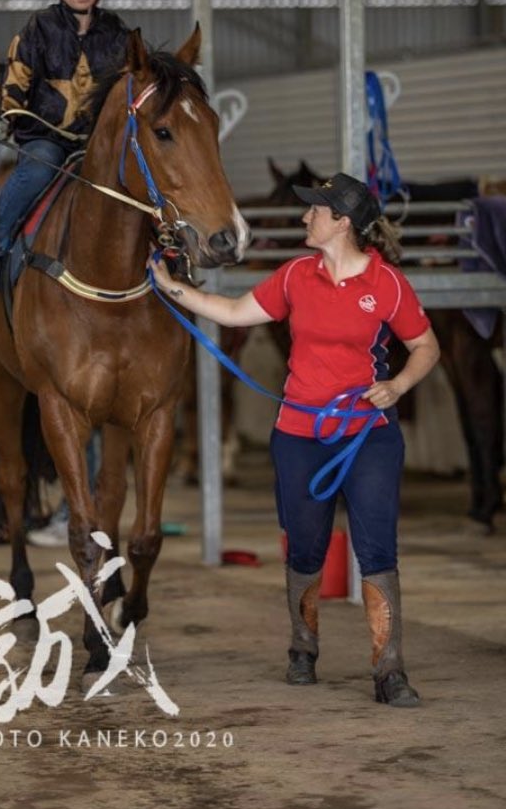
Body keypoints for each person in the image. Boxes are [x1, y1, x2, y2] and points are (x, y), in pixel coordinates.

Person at [149, 172, 440, 707]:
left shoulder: (388, 284)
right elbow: (236, 311)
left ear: (343, 222)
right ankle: (303, 649)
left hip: (366, 436)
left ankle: (390, 669)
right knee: (304, 547)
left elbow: (425, 346)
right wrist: (175, 289)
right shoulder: (294, 277)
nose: (306, 217)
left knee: (377, 549)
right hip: (299, 434)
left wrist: (397, 384)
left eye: (316, 211)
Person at [0, 0, 130, 292]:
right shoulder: (37, 29)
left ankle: (169, 255)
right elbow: (12, 79)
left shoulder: (118, 33)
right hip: (48, 140)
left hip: (98, 143)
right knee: (40, 168)